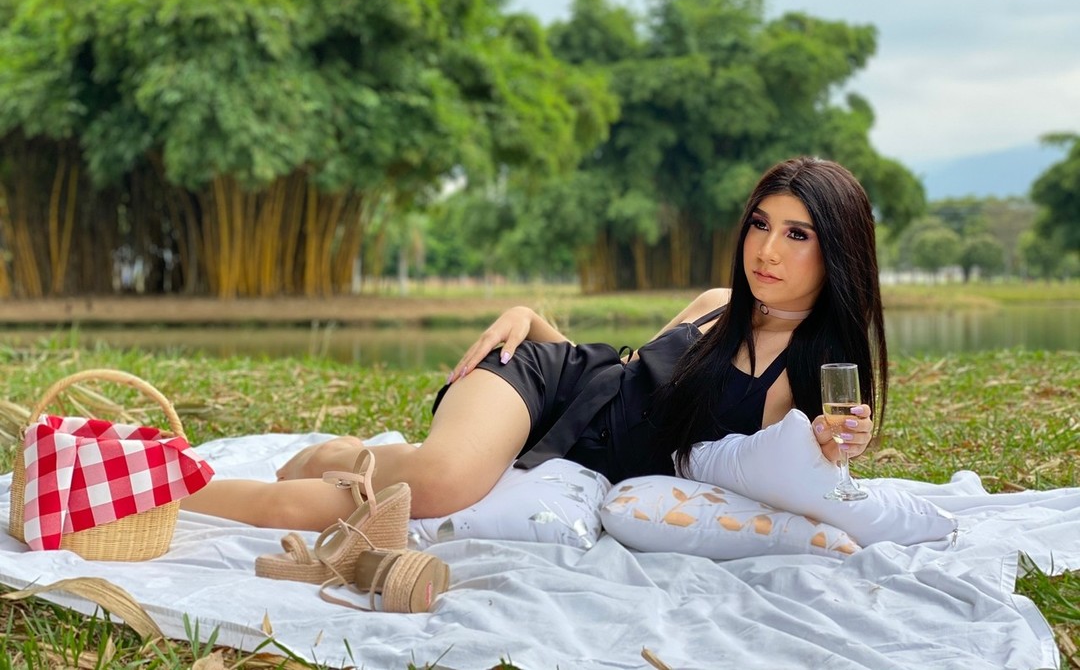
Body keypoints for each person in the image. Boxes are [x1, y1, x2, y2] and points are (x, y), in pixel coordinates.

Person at [182, 156, 886, 532]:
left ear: (839, 251)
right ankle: (201, 490)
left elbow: (822, 454)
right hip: (544, 382)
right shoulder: (715, 307)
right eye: (760, 224)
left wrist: (840, 444)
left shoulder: (819, 375)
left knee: (425, 488)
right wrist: (533, 319)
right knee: (440, 484)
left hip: (576, 442)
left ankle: (311, 464)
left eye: (796, 234)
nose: (766, 249)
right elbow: (620, 375)